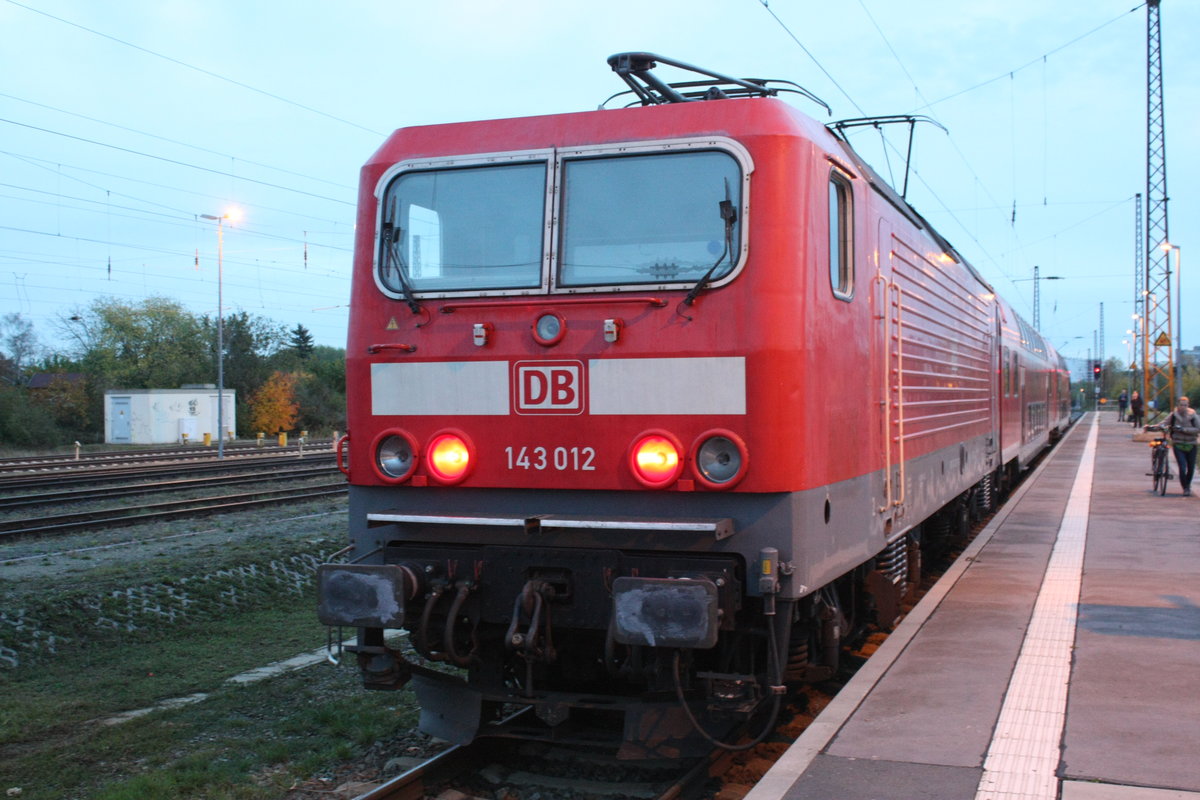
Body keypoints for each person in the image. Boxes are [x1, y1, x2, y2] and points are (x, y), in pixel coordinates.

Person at [1166, 396, 1199, 496]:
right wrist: (1152, 427)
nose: (1183, 407)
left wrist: (1184, 430)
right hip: (1178, 444)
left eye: (1185, 405)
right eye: (1181, 405)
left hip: (1191, 444)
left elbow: (1198, 428)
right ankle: (1185, 488)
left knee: (1191, 467)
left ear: (1188, 405)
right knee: (1182, 466)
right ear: (1178, 405)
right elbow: (1164, 423)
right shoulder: (1173, 415)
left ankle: (1188, 484)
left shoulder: (1193, 415)